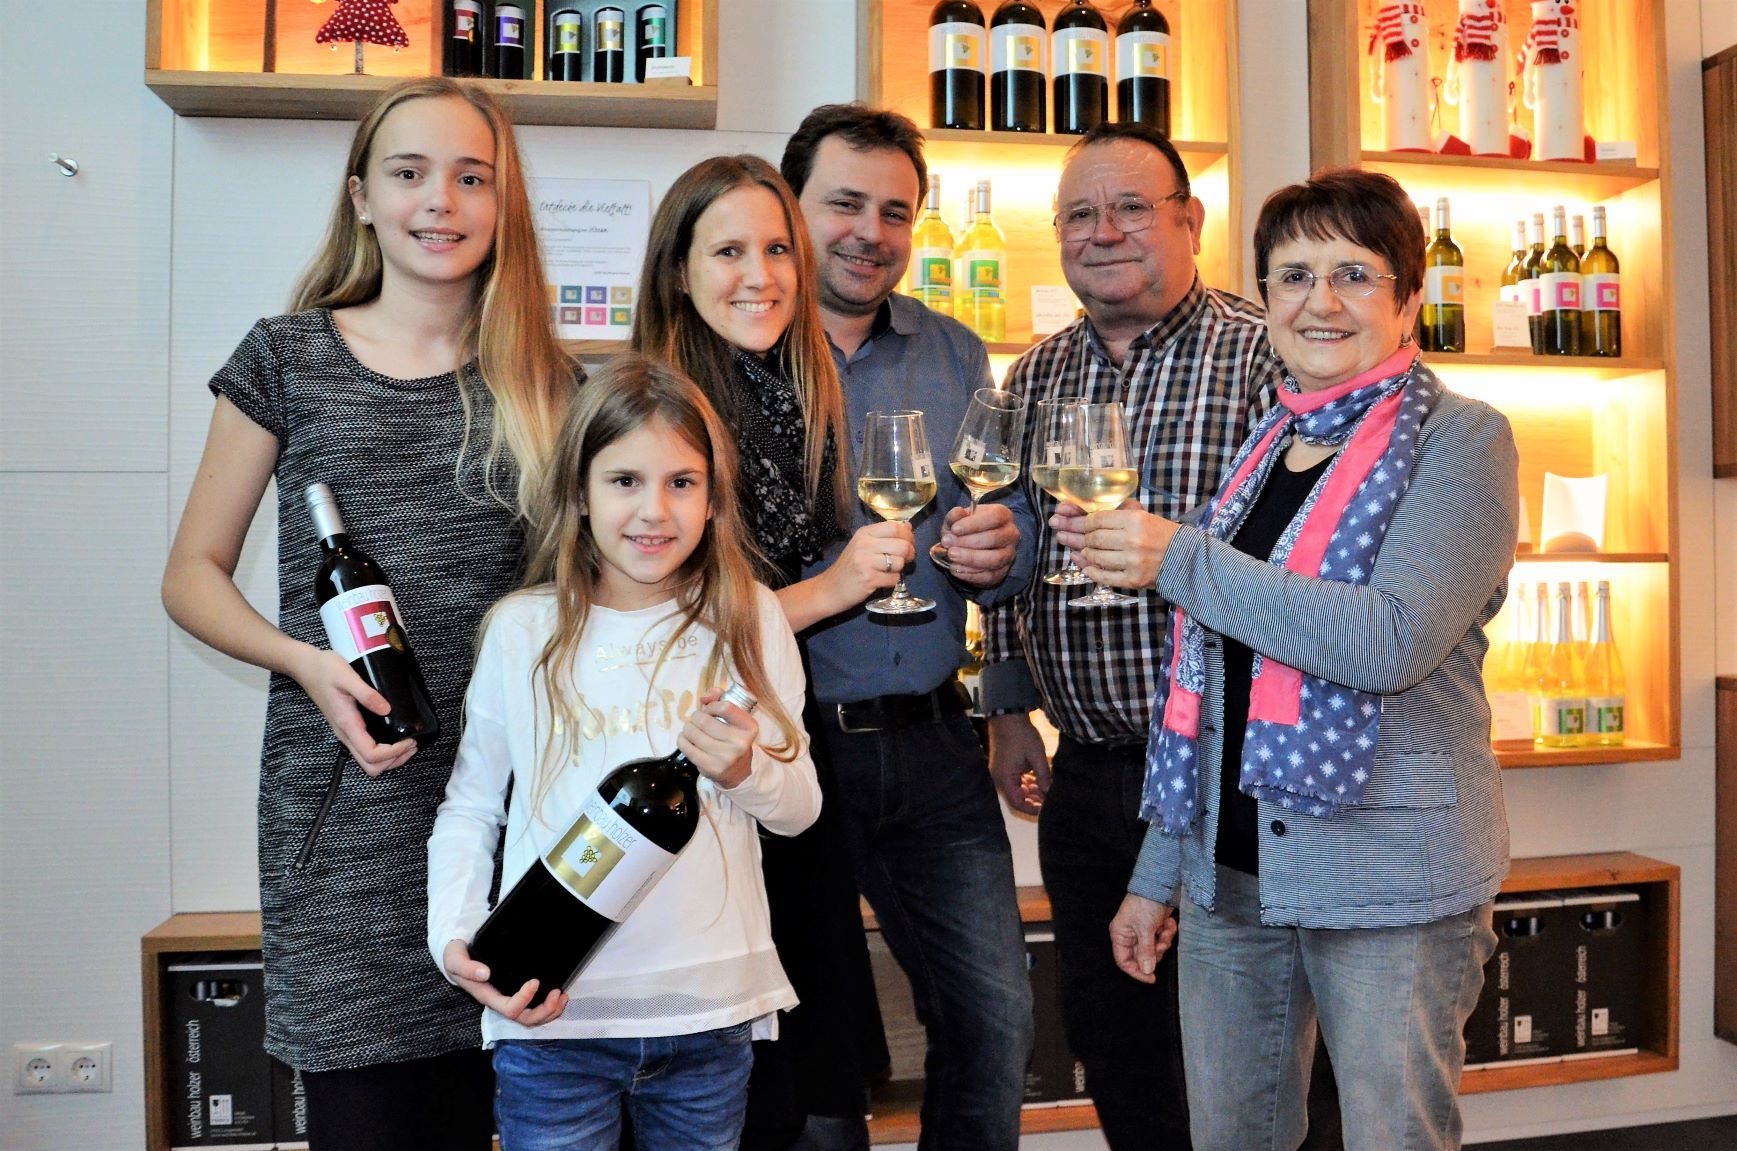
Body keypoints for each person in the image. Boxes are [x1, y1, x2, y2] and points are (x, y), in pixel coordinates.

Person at [160, 78, 576, 1151]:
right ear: (361, 196)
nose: (441, 199)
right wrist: (304, 661)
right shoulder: (285, 358)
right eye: (409, 171)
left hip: (508, 824)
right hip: (344, 826)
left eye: (471, 175)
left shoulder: (551, 385)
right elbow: (192, 574)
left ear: (502, 203)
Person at [1077, 167, 1517, 1151]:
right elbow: (1212, 682)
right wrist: (1159, 874)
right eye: (1293, 275)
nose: (1321, 301)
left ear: (1408, 297)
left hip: (1390, 881)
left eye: (1354, 274)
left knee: (1391, 1135)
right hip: (1233, 875)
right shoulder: (1265, 444)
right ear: (1264, 298)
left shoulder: (1463, 440)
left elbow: (1387, 638)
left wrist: (1177, 557)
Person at [978, 121, 1285, 1149]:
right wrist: (1009, 697)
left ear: (1189, 221)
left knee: (1248, 1058)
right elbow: (1013, 556)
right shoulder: (1034, 376)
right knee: (1121, 1050)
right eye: (1078, 214)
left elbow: (1305, 568)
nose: (1102, 232)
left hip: (1233, 776)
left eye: (1131, 208)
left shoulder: (1265, 353)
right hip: (1090, 777)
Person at [427, 354, 821, 1150]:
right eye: (624, 481)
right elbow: (470, 806)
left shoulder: (749, 616)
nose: (654, 510)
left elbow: (801, 809)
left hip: (711, 1013)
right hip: (552, 1014)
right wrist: (456, 935)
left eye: (681, 482)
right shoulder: (520, 629)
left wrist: (746, 769)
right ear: (578, 491)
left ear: (713, 498)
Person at [779, 103, 1037, 1150]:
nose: (869, 232)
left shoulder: (955, 349)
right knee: (814, 1046)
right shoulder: (740, 343)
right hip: (787, 747)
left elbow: (1005, 512)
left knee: (994, 1019)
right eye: (844, 202)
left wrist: (1001, 549)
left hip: (934, 742)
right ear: (790, 203)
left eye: (895, 211)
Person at [631, 155, 894, 1149]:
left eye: (778, 247)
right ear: (678, 273)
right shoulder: (659, 404)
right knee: (741, 1092)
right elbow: (660, 628)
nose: (761, 273)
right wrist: (834, 589)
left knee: (814, 1087)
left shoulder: (787, 394)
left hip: (779, 763)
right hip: (691, 779)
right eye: (729, 249)